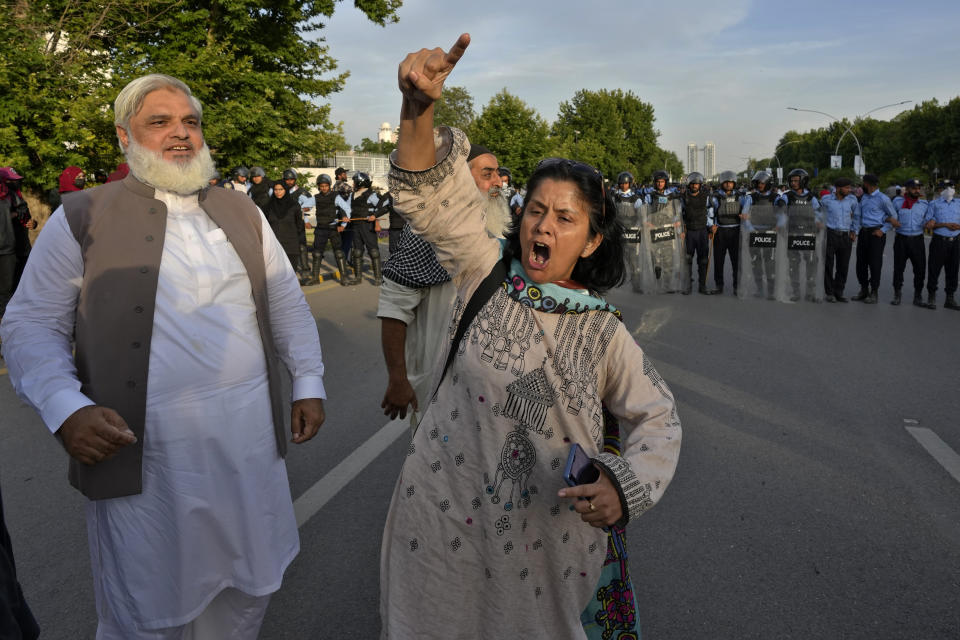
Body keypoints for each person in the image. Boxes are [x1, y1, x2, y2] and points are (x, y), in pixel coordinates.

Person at [0, 73, 326, 638]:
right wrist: (65, 407)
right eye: (160, 122)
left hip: (248, 450)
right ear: (125, 135)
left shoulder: (242, 211)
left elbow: (286, 302)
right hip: (149, 468)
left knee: (247, 593)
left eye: (191, 122)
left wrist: (308, 382)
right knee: (147, 612)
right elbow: (29, 324)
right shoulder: (81, 216)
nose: (181, 134)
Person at [380, 34, 681, 639]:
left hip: (543, 550)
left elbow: (660, 420)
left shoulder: (602, 332)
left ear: (592, 240)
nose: (543, 226)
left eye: (565, 218)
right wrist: (419, 108)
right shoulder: (479, 267)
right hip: (441, 524)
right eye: (535, 211)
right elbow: (429, 195)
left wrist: (623, 489)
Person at [378, 143, 509, 431]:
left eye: (498, 173)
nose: (498, 181)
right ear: (460, 177)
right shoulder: (431, 229)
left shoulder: (498, 225)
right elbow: (394, 308)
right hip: (441, 382)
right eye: (488, 173)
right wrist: (398, 379)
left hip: (490, 381)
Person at [775, 168, 823, 302]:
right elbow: (780, 206)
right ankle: (796, 292)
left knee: (812, 263)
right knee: (794, 264)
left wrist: (819, 222)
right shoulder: (787, 195)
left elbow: (818, 212)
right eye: (791, 180)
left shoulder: (811, 197)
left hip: (809, 234)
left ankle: (811, 292)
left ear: (803, 181)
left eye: (796, 180)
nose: (793, 183)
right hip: (792, 234)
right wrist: (780, 205)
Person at [852, 174, 898, 304]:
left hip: (876, 234)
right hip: (864, 233)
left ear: (869, 185)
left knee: (875, 264)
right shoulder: (863, 198)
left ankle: (874, 292)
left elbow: (894, 217)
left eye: (864, 183)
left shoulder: (883, 199)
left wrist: (882, 230)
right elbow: (857, 216)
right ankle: (864, 289)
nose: (862, 186)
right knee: (860, 264)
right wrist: (855, 231)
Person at [890, 178, 930, 307]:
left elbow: (929, 218)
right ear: (906, 189)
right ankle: (897, 294)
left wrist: (930, 222)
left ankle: (918, 295)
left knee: (920, 269)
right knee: (898, 268)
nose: (917, 190)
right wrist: (891, 220)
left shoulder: (924, 204)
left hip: (917, 239)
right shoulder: (897, 202)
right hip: (901, 239)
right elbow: (889, 215)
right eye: (914, 188)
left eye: (918, 188)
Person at [739, 170, 779, 300]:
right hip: (754, 233)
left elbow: (782, 214)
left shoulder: (776, 198)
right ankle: (760, 289)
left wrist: (778, 226)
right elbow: (745, 215)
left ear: (768, 183)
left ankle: (771, 291)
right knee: (756, 262)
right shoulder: (751, 197)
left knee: (770, 262)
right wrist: (751, 229)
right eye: (758, 183)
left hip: (770, 233)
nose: (759, 185)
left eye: (762, 182)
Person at [819, 177, 859, 303]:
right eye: (846, 188)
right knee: (828, 264)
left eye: (849, 187)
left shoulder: (852, 200)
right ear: (838, 188)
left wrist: (854, 231)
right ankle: (829, 292)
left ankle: (839, 291)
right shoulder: (826, 200)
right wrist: (819, 223)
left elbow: (857, 216)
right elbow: (819, 213)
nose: (849, 190)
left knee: (843, 266)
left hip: (845, 236)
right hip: (830, 234)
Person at [307, 173, 350, 286]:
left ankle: (344, 278)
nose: (324, 188)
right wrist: (305, 219)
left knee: (339, 253)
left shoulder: (336, 196)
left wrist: (344, 224)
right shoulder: (315, 198)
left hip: (333, 228)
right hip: (321, 228)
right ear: (319, 187)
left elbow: (347, 208)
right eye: (321, 186)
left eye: (326, 186)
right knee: (316, 253)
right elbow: (302, 207)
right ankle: (315, 277)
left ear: (329, 186)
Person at [924, 179, 960, 310]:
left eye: (951, 186)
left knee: (953, 270)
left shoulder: (959, 203)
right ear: (940, 190)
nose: (949, 189)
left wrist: (957, 226)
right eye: (946, 187)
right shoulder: (934, 204)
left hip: (955, 241)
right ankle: (931, 296)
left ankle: (949, 298)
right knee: (934, 269)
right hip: (939, 241)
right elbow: (928, 224)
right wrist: (944, 224)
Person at [0, 168, 37, 292]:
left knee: (21, 288)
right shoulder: (4, 200)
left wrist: (33, 223)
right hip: (7, 253)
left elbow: (27, 220)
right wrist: (9, 215)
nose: (16, 183)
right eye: (11, 180)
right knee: (7, 291)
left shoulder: (17, 198)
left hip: (22, 250)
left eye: (16, 180)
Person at [345, 171, 384, 285]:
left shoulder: (371, 194)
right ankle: (358, 278)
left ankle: (377, 278)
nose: (352, 183)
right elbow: (347, 209)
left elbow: (382, 206)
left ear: (359, 182)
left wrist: (375, 218)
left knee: (373, 252)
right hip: (356, 226)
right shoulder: (352, 195)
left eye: (354, 181)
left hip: (368, 226)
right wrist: (344, 217)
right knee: (357, 252)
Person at [679, 172, 715, 295]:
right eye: (693, 184)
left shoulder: (706, 197)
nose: (695, 186)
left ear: (700, 185)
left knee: (703, 260)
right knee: (687, 259)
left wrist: (711, 227)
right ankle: (688, 285)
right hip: (689, 232)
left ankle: (702, 285)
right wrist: (681, 229)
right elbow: (680, 214)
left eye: (697, 184)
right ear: (689, 185)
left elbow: (710, 213)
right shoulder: (684, 197)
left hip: (702, 232)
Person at [710, 170, 745, 294]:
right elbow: (711, 213)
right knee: (718, 261)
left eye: (730, 182)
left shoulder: (740, 196)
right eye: (726, 182)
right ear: (722, 183)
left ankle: (737, 286)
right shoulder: (715, 196)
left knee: (736, 261)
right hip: (720, 232)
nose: (728, 185)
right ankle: (719, 285)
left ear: (734, 183)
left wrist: (746, 217)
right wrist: (711, 226)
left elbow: (747, 211)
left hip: (736, 231)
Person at [612, 171, 645, 293]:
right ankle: (615, 284)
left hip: (632, 233)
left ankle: (636, 285)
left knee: (633, 261)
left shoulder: (636, 199)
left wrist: (640, 227)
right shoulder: (615, 197)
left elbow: (641, 216)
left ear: (629, 184)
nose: (623, 185)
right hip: (619, 232)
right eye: (621, 183)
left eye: (625, 183)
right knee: (617, 259)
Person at [264, 180, 304, 273]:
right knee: (275, 273)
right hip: (274, 244)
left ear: (285, 190)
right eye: (276, 189)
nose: (278, 192)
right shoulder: (268, 206)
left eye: (281, 189)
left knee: (291, 272)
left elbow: (300, 225)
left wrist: (299, 240)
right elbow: (265, 225)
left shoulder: (294, 205)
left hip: (291, 244)